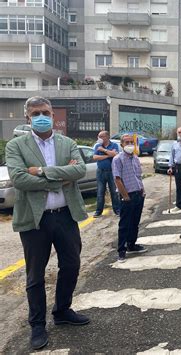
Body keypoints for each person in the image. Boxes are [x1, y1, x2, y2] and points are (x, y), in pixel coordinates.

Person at [6, 96, 90, 350]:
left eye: (45, 112)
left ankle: (62, 310)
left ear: (53, 116)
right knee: (35, 275)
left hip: (65, 215)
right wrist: (60, 177)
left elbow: (80, 170)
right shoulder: (16, 145)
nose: (41, 116)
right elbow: (19, 179)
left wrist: (41, 172)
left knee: (72, 265)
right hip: (35, 218)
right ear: (28, 117)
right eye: (35, 113)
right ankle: (37, 325)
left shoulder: (67, 143)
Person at [112, 134, 148, 262]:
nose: (129, 145)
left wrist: (142, 190)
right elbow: (117, 179)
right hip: (127, 196)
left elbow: (138, 176)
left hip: (138, 194)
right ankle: (121, 250)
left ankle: (131, 245)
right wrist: (125, 196)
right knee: (124, 224)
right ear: (121, 144)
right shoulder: (118, 159)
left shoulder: (136, 158)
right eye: (126, 142)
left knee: (135, 223)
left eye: (131, 142)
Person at [93, 130, 120, 217]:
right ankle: (98, 211)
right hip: (100, 171)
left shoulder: (114, 145)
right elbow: (95, 157)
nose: (99, 138)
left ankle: (117, 210)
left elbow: (115, 154)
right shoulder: (97, 145)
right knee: (100, 192)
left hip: (112, 172)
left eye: (101, 136)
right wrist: (108, 155)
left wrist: (103, 150)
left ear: (107, 137)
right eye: (98, 137)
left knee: (114, 192)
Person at [167, 127, 181, 213]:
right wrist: (170, 167)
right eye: (179, 132)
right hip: (178, 166)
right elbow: (172, 155)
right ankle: (179, 205)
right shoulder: (174, 144)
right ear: (177, 133)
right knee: (179, 186)